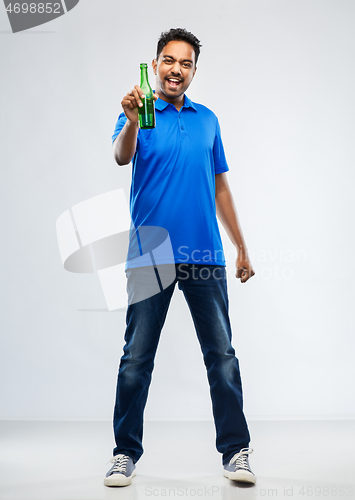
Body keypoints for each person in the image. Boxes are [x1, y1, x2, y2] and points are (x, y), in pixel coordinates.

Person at [104, 28, 256, 488]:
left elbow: (221, 187)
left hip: (204, 254)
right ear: (156, 65)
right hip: (150, 255)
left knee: (222, 356)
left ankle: (237, 452)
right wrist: (131, 119)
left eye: (185, 63)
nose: (176, 69)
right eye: (169, 61)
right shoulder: (138, 113)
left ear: (193, 71)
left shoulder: (208, 119)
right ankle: (123, 453)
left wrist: (242, 246)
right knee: (136, 359)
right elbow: (119, 156)